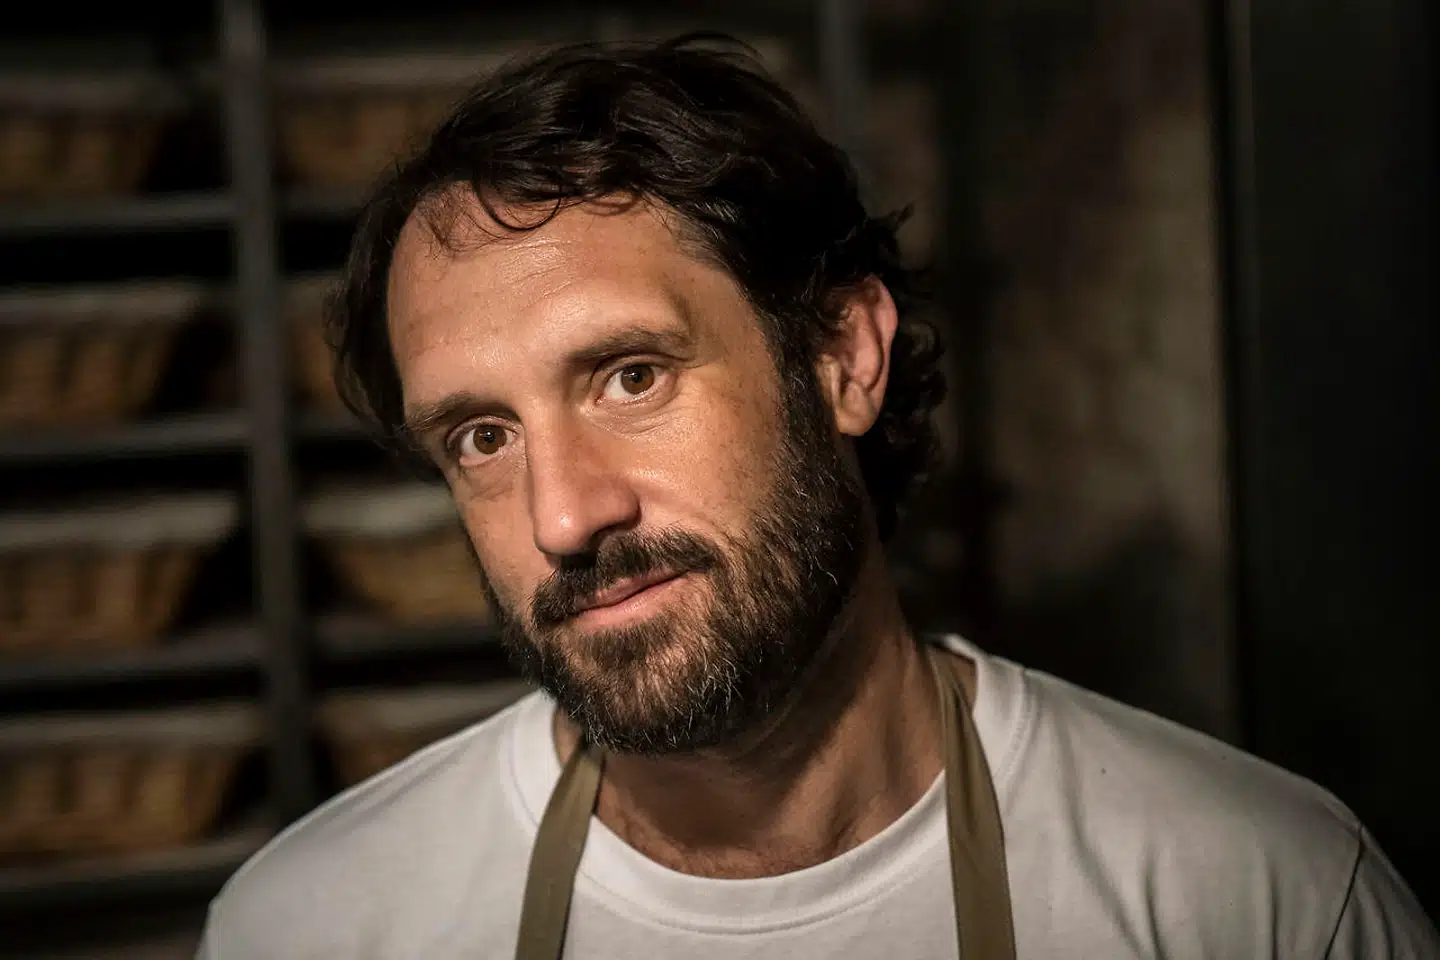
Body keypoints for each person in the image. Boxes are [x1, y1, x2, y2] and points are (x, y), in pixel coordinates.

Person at [197, 37, 1437, 959]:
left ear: (843, 357)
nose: (562, 518)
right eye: (482, 436)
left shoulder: (1257, 896)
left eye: (631, 376)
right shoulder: (318, 927)